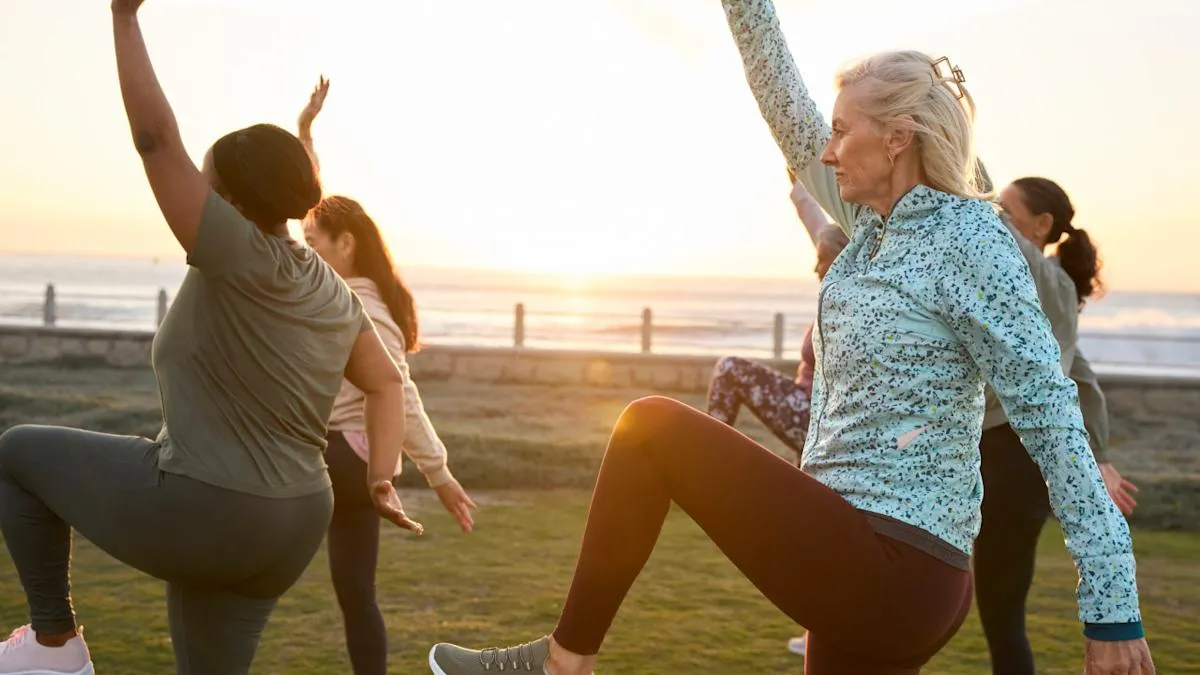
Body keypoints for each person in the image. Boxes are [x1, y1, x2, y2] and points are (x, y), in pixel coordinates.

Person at [424, 1, 1156, 674]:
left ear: (898, 137)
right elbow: (778, 92)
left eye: (842, 131)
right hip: (855, 552)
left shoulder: (971, 238)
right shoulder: (871, 225)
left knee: (650, 430)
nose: (827, 152)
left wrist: (1113, 607)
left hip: (899, 563)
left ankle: (562, 661)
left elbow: (1049, 413)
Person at [0, 2, 423, 674]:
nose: (192, 190)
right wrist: (381, 478)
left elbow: (154, 140)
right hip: (293, 522)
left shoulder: (231, 249)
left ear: (229, 201)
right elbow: (386, 382)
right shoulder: (327, 286)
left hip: (213, 505)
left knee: (16, 453)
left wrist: (124, 19)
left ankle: (55, 645)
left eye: (205, 182)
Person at [297, 73, 478, 675]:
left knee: (240, 549)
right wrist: (305, 134)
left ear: (345, 245)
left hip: (342, 458)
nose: (305, 251)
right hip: (357, 466)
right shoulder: (357, 291)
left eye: (314, 243)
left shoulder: (359, 306)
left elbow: (400, 390)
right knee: (356, 595)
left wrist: (438, 471)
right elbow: (308, 207)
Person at [973, 175, 1140, 674]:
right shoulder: (1047, 293)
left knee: (1000, 613)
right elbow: (1084, 381)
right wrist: (1101, 457)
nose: (999, 216)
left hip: (1009, 459)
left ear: (1042, 225)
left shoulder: (1047, 279)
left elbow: (976, 202)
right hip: (1008, 460)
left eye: (1009, 210)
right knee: (997, 611)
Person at [706, 176, 849, 467]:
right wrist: (802, 182)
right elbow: (817, 228)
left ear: (841, 263)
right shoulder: (832, 280)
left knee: (730, 369)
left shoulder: (853, 301)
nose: (815, 267)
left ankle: (705, 462)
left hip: (817, 418)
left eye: (822, 260)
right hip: (808, 409)